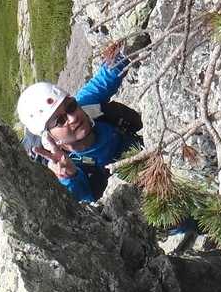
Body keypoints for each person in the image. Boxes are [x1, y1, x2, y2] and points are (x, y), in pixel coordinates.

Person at [17, 52, 143, 204]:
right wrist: (69, 176)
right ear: (51, 138)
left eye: (70, 107)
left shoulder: (86, 105)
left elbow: (105, 78)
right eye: (60, 121)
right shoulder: (68, 165)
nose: (73, 117)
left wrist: (123, 53)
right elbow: (81, 196)